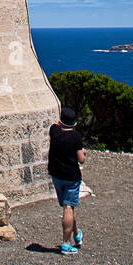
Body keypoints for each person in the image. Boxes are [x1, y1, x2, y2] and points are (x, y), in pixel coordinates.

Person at [47, 106, 85, 255]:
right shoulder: (76, 137)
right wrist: (82, 152)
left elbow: (55, 126)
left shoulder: (54, 132)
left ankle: (76, 234)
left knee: (67, 206)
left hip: (56, 175)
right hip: (71, 177)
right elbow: (81, 159)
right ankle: (66, 244)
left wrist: (60, 124)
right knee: (68, 207)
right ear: (74, 123)